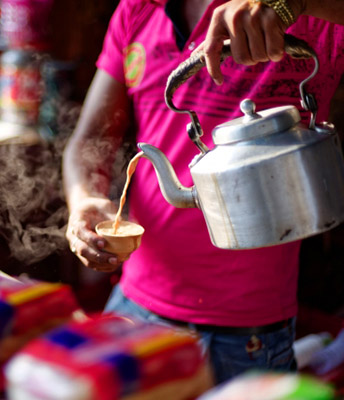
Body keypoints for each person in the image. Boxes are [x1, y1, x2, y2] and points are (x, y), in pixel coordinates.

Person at [63, 0, 344, 384]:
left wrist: (294, 3)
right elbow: (91, 138)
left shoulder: (316, 19)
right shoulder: (138, 10)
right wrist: (84, 201)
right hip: (132, 306)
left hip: (244, 336)